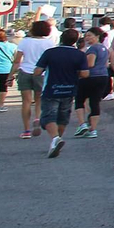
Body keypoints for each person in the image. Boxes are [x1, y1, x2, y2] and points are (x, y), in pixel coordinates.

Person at [33, 29, 86, 158]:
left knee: (48, 116)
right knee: (63, 116)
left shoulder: (50, 52)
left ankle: (55, 138)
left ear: (61, 38)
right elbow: (85, 73)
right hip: (69, 89)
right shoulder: (80, 55)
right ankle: (57, 140)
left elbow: (37, 71)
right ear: (75, 40)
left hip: (51, 89)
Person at [11, 19, 57, 138]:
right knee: (39, 99)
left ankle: (26, 130)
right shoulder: (49, 43)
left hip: (25, 71)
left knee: (26, 101)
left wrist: (10, 75)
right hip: (41, 73)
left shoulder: (24, 42)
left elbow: (17, 61)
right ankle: (37, 118)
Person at [72, 28, 110, 139]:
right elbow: (106, 64)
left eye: (89, 35)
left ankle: (82, 124)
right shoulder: (104, 48)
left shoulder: (93, 49)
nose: (87, 38)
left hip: (90, 77)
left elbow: (90, 64)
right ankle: (93, 129)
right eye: (86, 36)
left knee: (79, 100)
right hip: (103, 76)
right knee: (95, 102)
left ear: (97, 36)